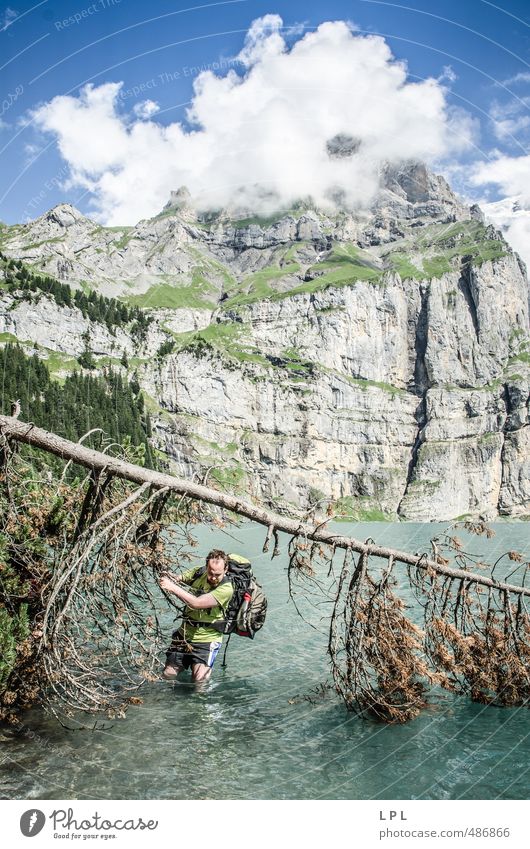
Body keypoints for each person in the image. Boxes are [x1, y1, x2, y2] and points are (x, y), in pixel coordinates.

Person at [159, 549, 233, 683]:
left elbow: (196, 603)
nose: (213, 577)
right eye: (211, 573)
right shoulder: (199, 573)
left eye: (218, 574)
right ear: (206, 567)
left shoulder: (226, 589)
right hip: (184, 635)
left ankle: (198, 704)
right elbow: (177, 579)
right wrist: (164, 572)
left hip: (207, 639)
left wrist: (172, 588)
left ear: (226, 569)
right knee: (168, 674)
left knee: (199, 680)